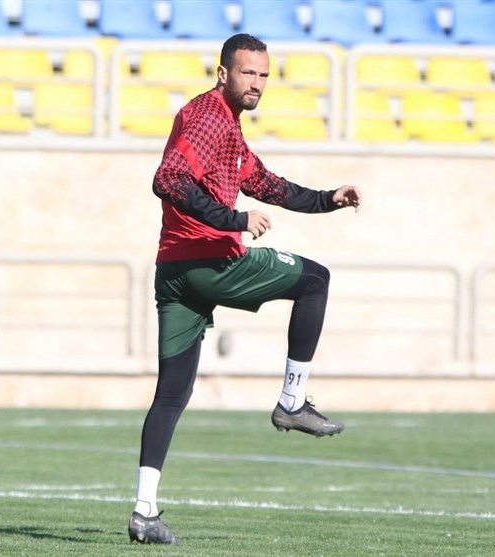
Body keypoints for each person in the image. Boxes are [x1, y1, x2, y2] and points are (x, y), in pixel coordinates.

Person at [128, 33, 362, 545]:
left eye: (263, 75)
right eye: (247, 73)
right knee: (315, 280)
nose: (256, 83)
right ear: (222, 73)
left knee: (171, 394)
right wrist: (232, 218)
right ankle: (292, 401)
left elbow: (267, 184)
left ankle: (144, 511)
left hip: (174, 272)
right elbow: (167, 179)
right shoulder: (208, 116)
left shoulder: (226, 126)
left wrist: (328, 198)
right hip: (210, 262)